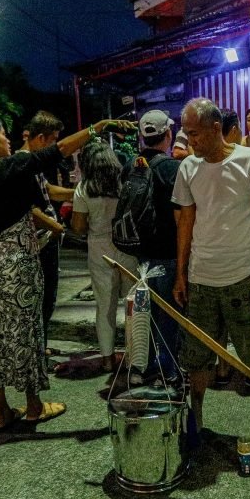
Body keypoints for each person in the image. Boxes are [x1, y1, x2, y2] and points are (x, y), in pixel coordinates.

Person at [0, 115, 134, 429]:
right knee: (27, 334)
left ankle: (2, 413)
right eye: (1, 135)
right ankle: (35, 406)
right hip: (15, 264)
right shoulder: (3, 167)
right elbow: (59, 151)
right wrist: (98, 126)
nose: (7, 140)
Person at [171, 98, 250, 433]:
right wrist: (181, 272)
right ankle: (195, 420)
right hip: (201, 279)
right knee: (198, 356)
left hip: (246, 276)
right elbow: (186, 223)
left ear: (215, 127)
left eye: (195, 134)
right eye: (187, 134)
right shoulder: (188, 168)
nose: (190, 141)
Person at [71, 141, 137, 372]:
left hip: (99, 249)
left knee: (105, 306)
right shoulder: (124, 184)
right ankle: (134, 357)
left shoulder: (84, 188)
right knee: (133, 305)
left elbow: (78, 227)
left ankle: (108, 360)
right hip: (126, 245)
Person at [129, 109, 183, 384]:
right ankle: (169, 370)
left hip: (140, 253)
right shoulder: (172, 167)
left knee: (145, 312)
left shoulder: (132, 165)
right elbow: (180, 215)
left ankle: (144, 365)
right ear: (168, 134)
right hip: (169, 253)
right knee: (170, 315)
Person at [19, 111, 76, 351]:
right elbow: (25, 208)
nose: (55, 147)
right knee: (39, 302)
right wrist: (55, 226)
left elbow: (48, 190)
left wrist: (79, 194)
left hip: (46, 242)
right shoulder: (21, 163)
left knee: (46, 300)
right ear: (41, 138)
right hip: (36, 244)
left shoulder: (34, 163)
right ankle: (35, 354)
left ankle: (39, 349)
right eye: (53, 140)